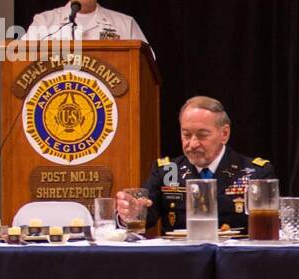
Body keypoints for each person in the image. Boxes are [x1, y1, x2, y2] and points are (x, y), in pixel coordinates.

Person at [117, 96, 274, 233]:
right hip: (181, 261)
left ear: (224, 134)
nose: (192, 144)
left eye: (202, 135)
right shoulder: (168, 171)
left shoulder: (255, 173)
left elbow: (268, 230)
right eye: (186, 135)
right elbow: (146, 215)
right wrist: (131, 214)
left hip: (234, 260)